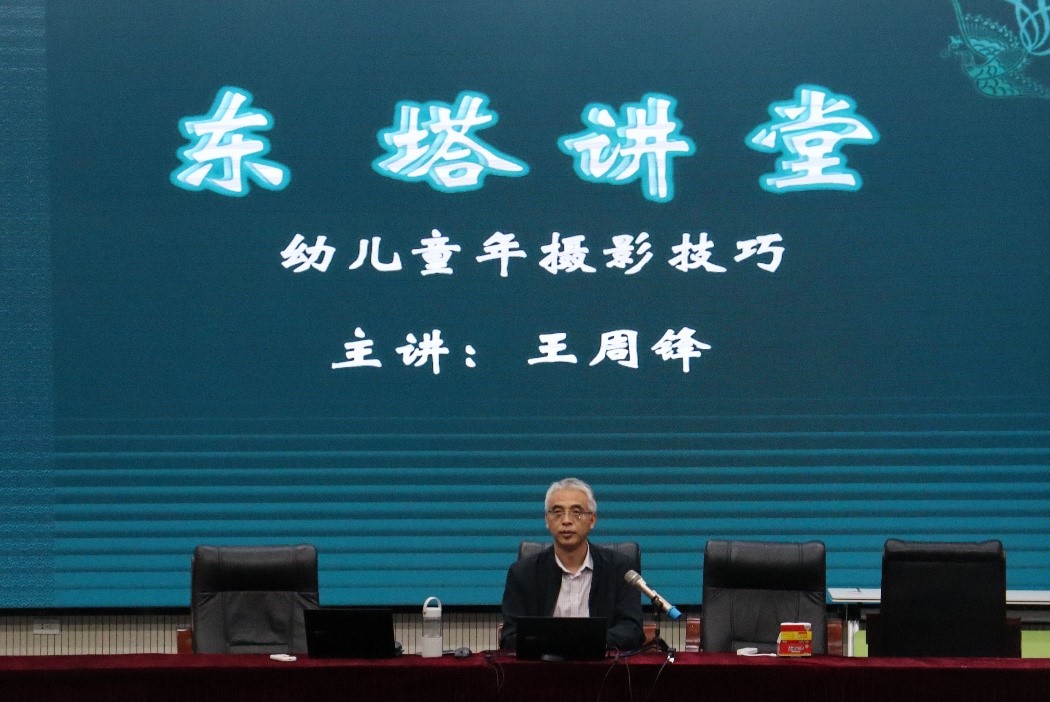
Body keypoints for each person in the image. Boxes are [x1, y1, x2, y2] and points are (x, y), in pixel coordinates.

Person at [499, 477, 644, 651]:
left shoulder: (620, 569)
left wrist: (587, 643)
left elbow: (632, 630)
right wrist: (561, 644)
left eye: (576, 512)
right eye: (557, 512)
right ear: (547, 520)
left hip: (602, 664)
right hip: (543, 665)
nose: (566, 520)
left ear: (592, 520)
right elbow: (510, 636)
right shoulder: (523, 573)